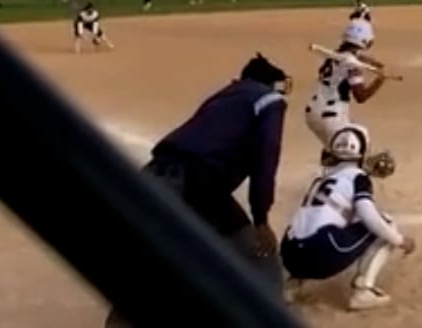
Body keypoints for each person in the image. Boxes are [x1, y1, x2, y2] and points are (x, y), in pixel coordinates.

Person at [105, 54, 291, 327]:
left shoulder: (223, 96)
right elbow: (266, 157)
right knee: (258, 256)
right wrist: (261, 218)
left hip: (154, 176)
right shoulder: (268, 99)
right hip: (195, 184)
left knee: (150, 265)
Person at [280, 124, 413, 312]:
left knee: (312, 223)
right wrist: (399, 240)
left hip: (289, 254)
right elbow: (368, 215)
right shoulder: (358, 177)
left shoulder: (320, 178)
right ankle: (363, 291)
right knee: (386, 223)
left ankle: (291, 284)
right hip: (322, 251)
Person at [305, 19, 387, 147]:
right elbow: (361, 96)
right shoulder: (352, 65)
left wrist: (370, 62)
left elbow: (351, 57)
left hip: (314, 112)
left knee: (335, 149)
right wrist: (380, 80)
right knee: (357, 145)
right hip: (332, 117)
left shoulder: (334, 55)